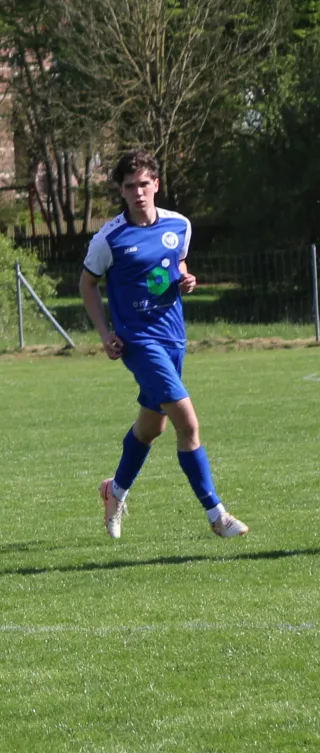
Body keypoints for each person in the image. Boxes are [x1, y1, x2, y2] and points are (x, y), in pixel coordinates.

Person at [79, 150, 246, 539]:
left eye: (143, 184)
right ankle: (217, 516)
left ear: (156, 183)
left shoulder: (179, 225)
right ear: (120, 191)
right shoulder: (110, 238)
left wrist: (187, 279)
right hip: (138, 342)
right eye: (129, 186)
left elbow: (177, 265)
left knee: (151, 427)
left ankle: (114, 491)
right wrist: (106, 334)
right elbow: (87, 284)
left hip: (174, 337)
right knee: (188, 423)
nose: (137, 192)